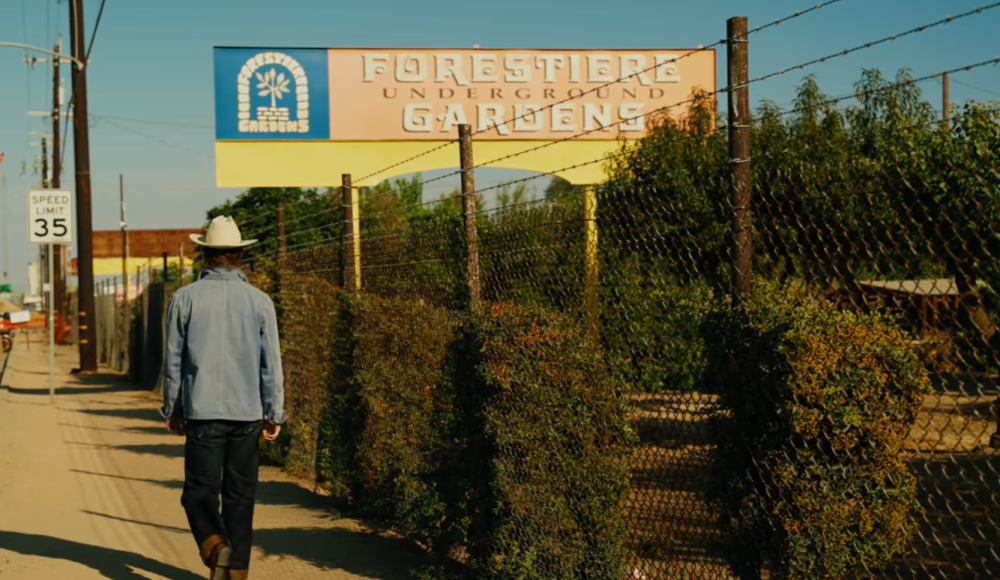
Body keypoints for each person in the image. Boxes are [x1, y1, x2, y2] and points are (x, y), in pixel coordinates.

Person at [161, 215, 287, 580]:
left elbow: (173, 361)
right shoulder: (260, 302)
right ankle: (236, 574)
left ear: (205, 255)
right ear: (238, 256)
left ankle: (215, 546)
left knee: (198, 493)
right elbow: (271, 364)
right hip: (247, 414)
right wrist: (274, 413)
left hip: (202, 414)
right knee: (240, 498)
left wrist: (172, 409)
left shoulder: (183, 299)